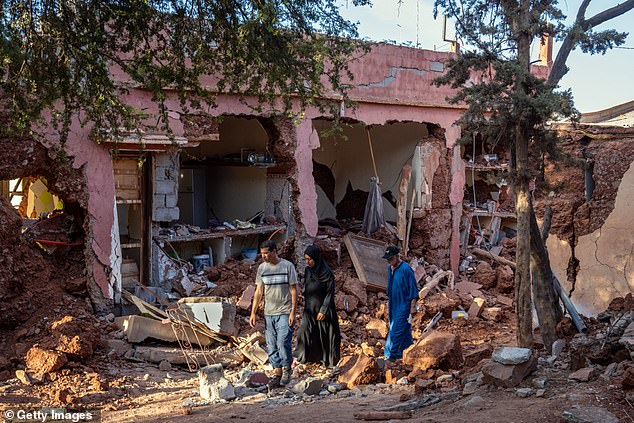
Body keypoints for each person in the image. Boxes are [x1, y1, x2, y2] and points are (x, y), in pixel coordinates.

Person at [250, 239, 298, 387]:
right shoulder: (262, 269)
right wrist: (253, 312)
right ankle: (277, 373)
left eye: (266, 253)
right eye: (262, 253)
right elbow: (259, 291)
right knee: (271, 344)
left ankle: (286, 369)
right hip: (269, 313)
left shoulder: (287, 266)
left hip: (284, 311)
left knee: (283, 342)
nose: (263, 256)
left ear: (274, 251)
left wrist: (292, 312)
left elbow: (293, 290)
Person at [295, 245, 341, 368]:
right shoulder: (307, 271)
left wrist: (323, 310)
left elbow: (330, 293)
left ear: (316, 258)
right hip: (309, 308)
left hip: (323, 309)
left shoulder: (327, 273)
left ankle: (326, 361)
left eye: (310, 259)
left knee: (324, 335)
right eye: (306, 259)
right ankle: (302, 357)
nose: (308, 262)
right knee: (304, 332)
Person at [382, 245, 419, 361]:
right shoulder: (390, 268)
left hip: (404, 305)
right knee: (404, 329)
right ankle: (408, 351)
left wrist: (412, 306)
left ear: (397, 256)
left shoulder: (406, 270)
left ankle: (390, 356)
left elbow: (414, 289)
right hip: (393, 303)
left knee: (395, 331)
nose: (389, 261)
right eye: (387, 259)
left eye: (390, 258)